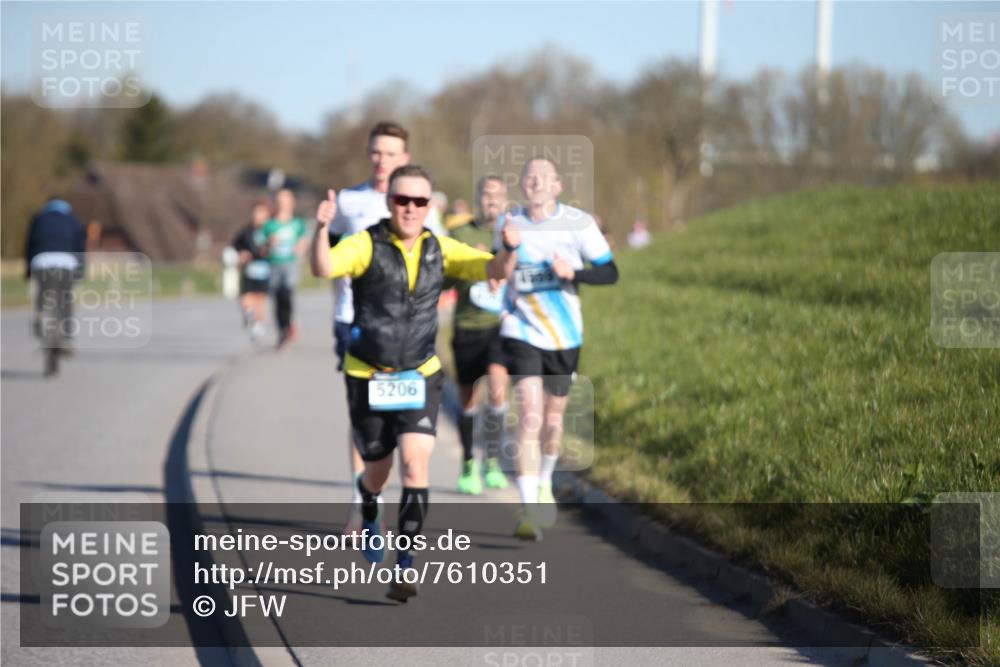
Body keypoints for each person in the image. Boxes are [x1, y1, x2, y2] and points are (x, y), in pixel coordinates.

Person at [311, 165, 519, 602]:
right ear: (390, 203)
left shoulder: (440, 248)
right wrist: (322, 229)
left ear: (430, 206)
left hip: (419, 374)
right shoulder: (366, 242)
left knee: (414, 466)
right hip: (368, 373)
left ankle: (405, 565)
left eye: (419, 202)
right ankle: (369, 508)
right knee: (377, 473)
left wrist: (508, 248)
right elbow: (324, 266)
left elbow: (493, 268)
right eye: (402, 200)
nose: (410, 208)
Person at [494, 159, 619, 541]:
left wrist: (574, 273)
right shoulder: (509, 222)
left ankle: (545, 479)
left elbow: (610, 272)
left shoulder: (579, 224)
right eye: (528, 177)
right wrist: (508, 252)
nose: (534, 182)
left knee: (552, 421)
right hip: (521, 328)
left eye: (542, 177)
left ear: (557, 186)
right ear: (522, 185)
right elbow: (496, 270)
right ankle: (529, 508)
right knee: (529, 415)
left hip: (565, 335)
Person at [319, 121, 411, 533]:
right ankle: (362, 504)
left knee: (394, 418)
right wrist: (322, 231)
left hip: (404, 329)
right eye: (376, 152)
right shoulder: (349, 201)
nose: (382, 161)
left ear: (404, 159)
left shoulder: (417, 202)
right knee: (363, 415)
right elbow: (330, 251)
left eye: (391, 154)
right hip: (352, 321)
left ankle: (374, 490)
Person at [449, 176, 511, 494]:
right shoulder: (460, 233)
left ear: (506, 200)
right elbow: (443, 277)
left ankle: (493, 461)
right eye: (487, 195)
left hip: (500, 328)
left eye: (498, 195)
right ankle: (468, 463)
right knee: (469, 399)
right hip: (466, 326)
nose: (492, 201)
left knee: (498, 390)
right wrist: (471, 263)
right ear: (477, 198)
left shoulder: (510, 234)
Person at [24, 198, 87, 375]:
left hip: (41, 262)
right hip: (66, 263)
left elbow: (29, 245)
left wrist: (28, 270)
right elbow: (80, 249)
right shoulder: (74, 220)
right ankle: (67, 337)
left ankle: (39, 317)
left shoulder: (38, 219)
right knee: (66, 300)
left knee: (42, 296)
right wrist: (81, 273)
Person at [261, 188, 308, 347]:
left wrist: (300, 248)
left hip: (290, 263)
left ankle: (288, 327)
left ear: (292, 202)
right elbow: (262, 249)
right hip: (274, 263)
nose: (283, 204)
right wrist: (269, 243)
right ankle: (281, 330)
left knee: (287, 294)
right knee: (277, 297)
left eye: (286, 200)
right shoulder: (269, 225)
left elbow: (304, 242)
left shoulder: (298, 223)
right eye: (280, 201)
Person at [231, 199, 272, 341]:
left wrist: (270, 249)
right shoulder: (245, 231)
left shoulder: (270, 230)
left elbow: (276, 247)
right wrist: (241, 254)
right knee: (246, 297)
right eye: (256, 212)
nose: (258, 216)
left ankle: (259, 324)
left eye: (261, 213)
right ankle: (249, 316)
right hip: (250, 268)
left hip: (264, 269)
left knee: (260, 299)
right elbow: (236, 245)